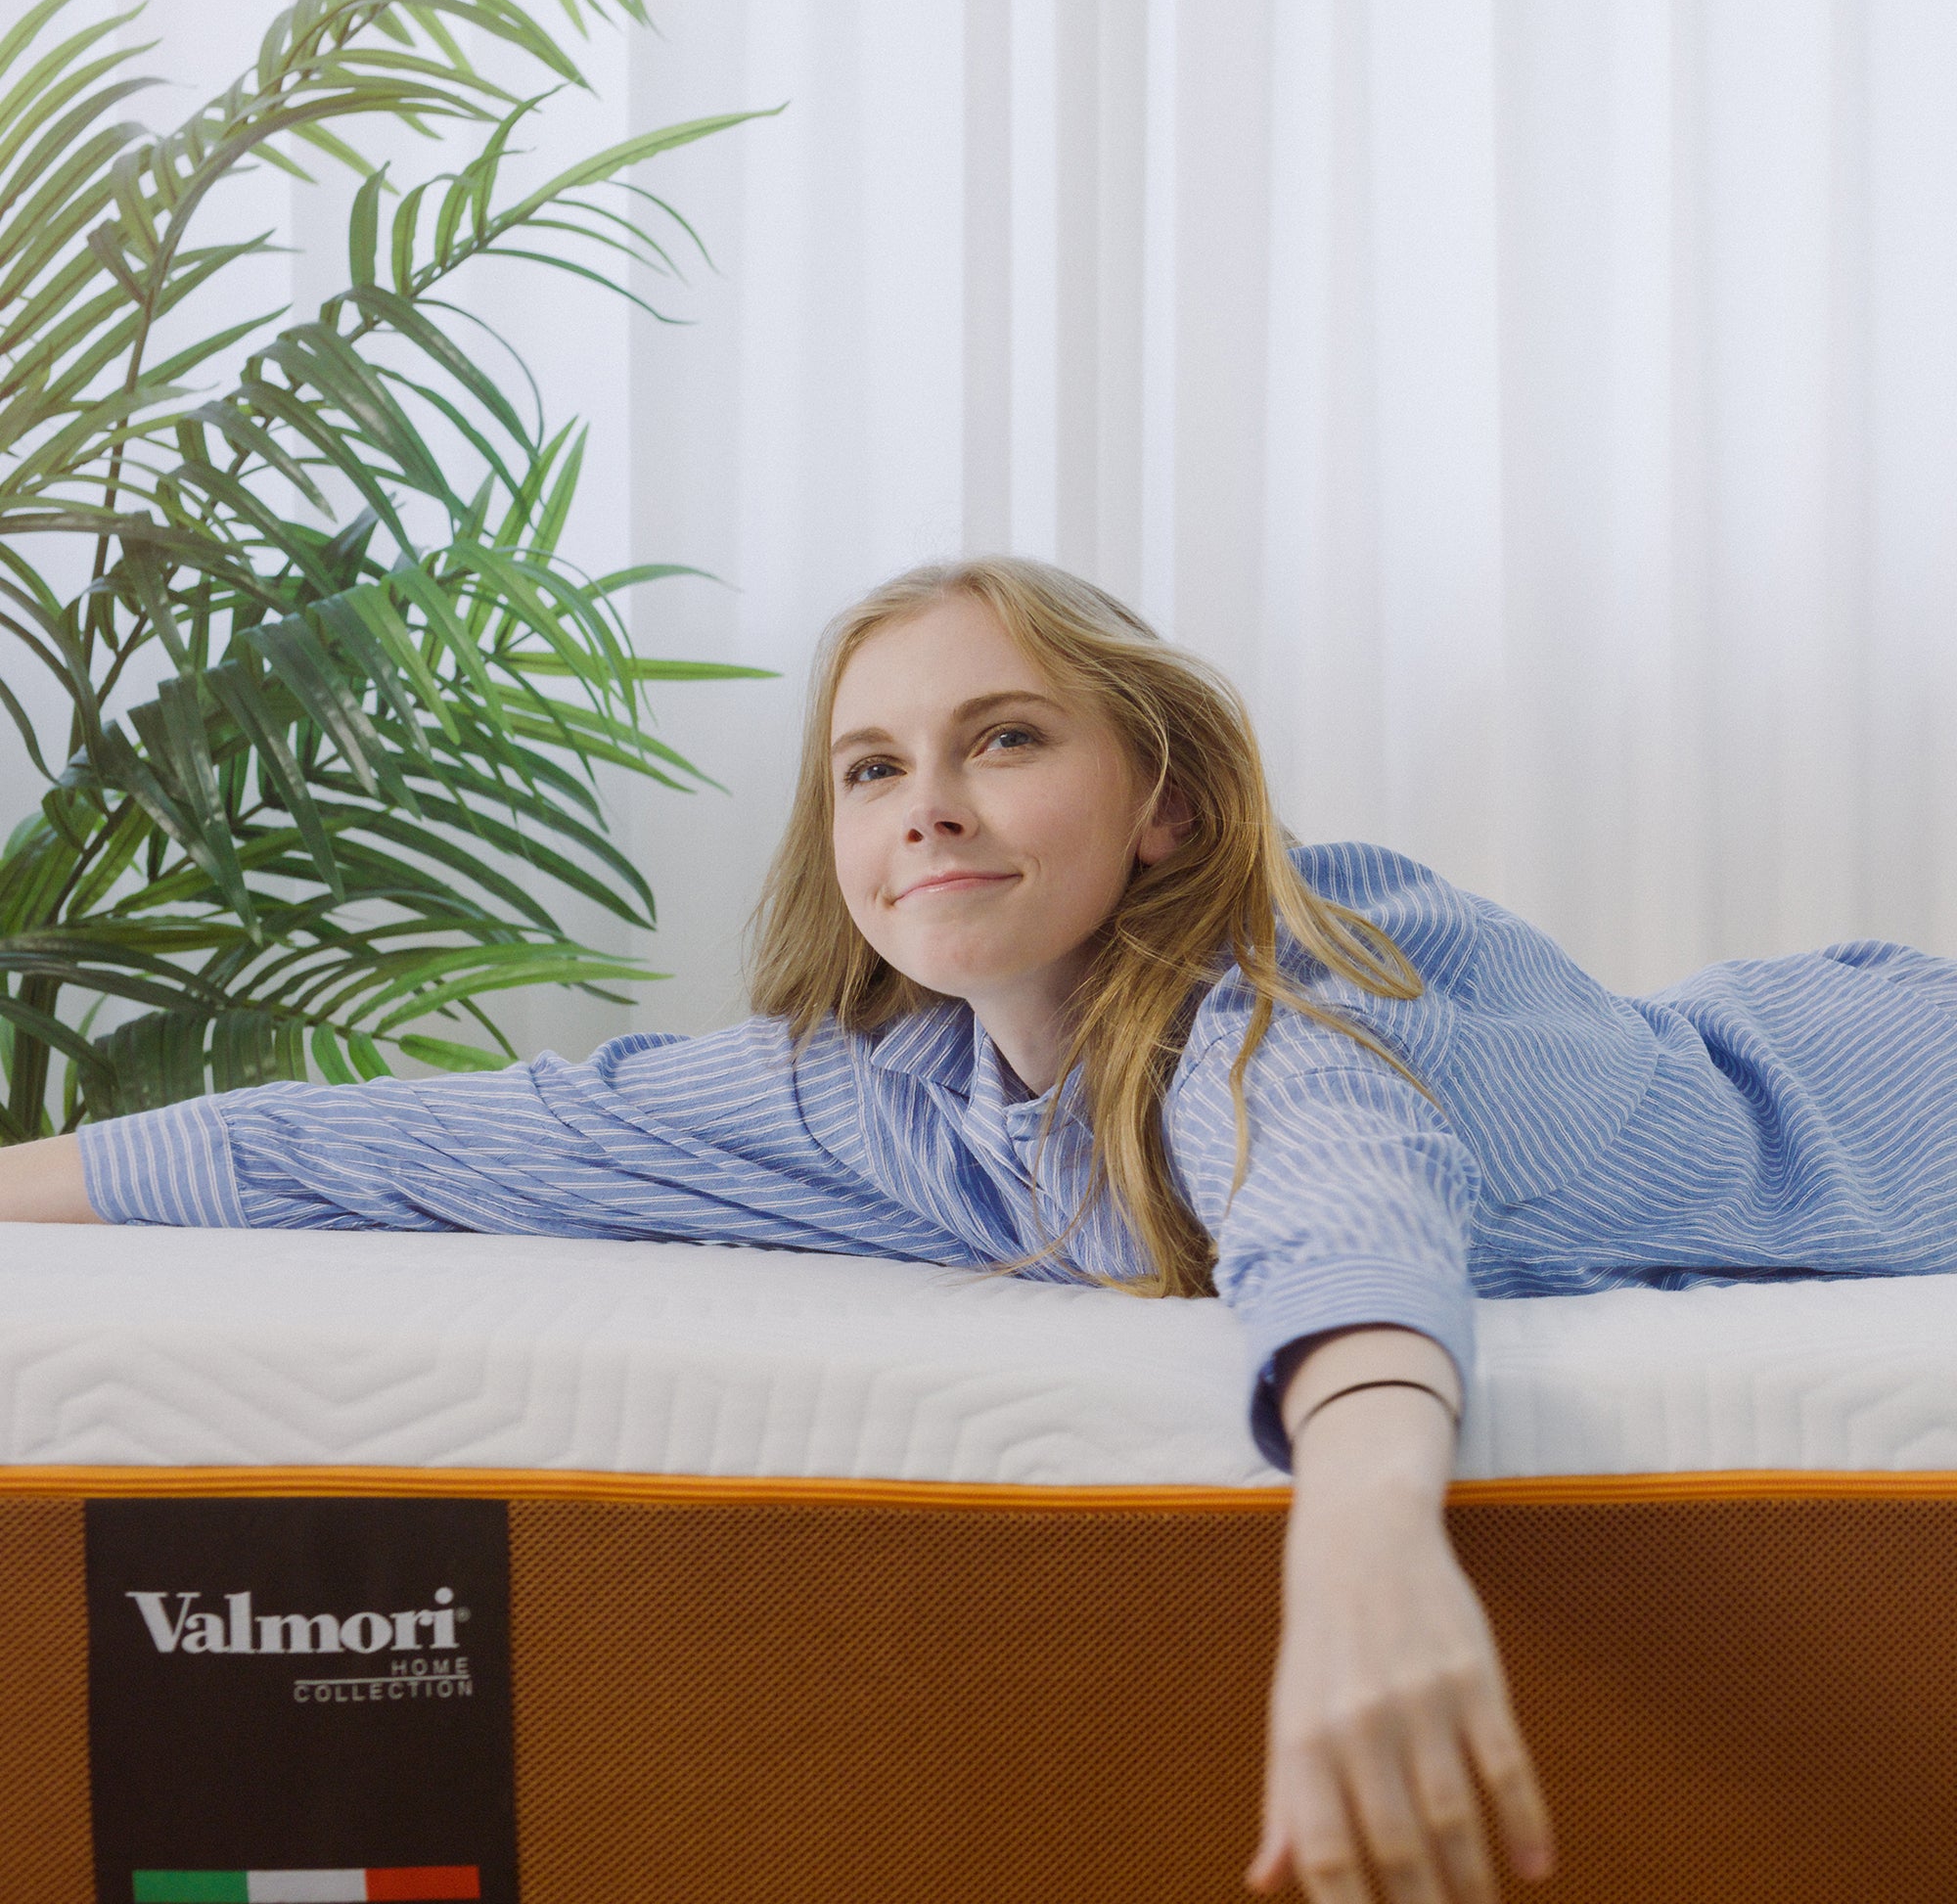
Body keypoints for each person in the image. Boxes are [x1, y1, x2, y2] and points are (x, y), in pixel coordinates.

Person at [7, 555, 1957, 1903]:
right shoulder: (910, 1100)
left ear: (1163, 812)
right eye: (874, 768)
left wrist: (1368, 1549)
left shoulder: (1295, 996)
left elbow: (1342, 1216)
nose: (926, 805)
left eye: (1004, 739)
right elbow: (454, 1139)